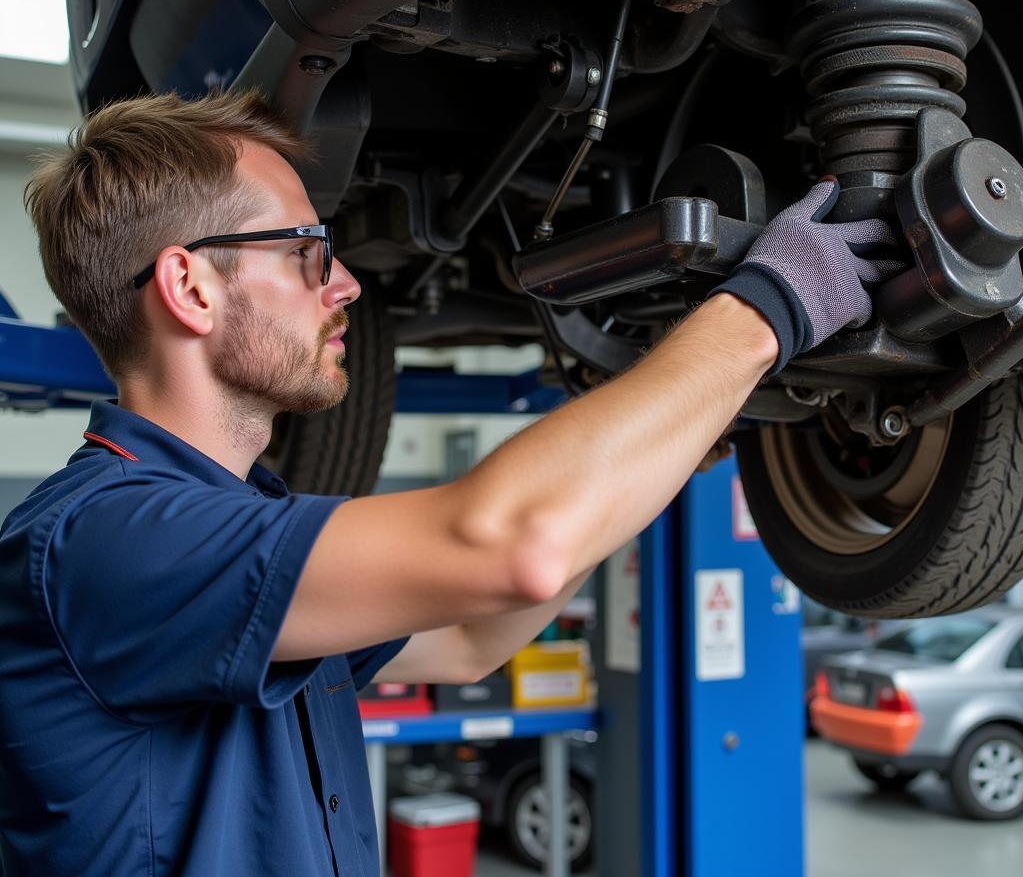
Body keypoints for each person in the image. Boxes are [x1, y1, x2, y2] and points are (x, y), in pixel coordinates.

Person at [0, 90, 901, 876]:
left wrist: (682, 432)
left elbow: (470, 638)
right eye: (308, 250)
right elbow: (515, 546)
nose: (347, 282)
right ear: (190, 288)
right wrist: (772, 306)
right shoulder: (105, 542)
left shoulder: (234, 537)